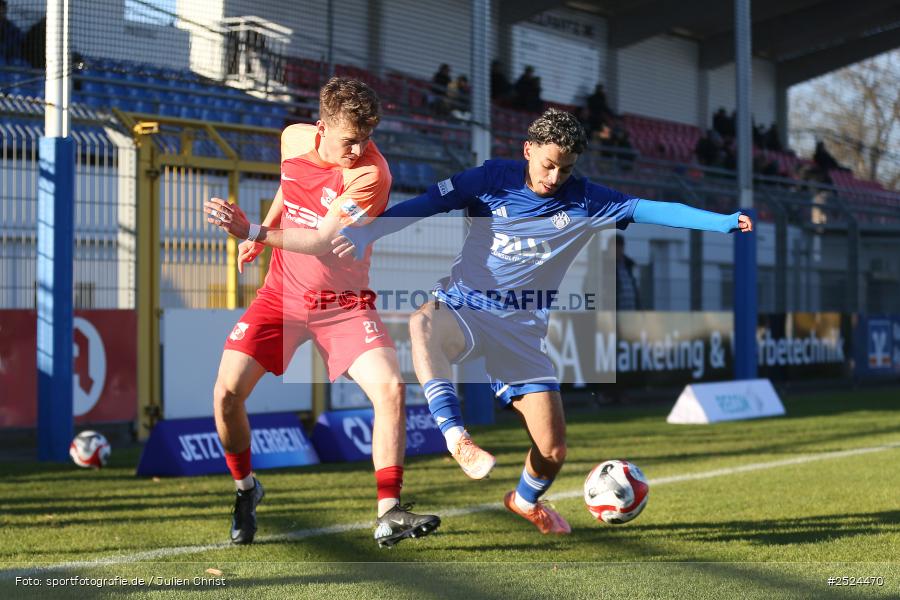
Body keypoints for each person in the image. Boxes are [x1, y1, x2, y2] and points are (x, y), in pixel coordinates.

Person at [330, 108, 753, 535]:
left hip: (521, 331)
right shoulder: (491, 179)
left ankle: (524, 500)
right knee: (422, 321)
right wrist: (369, 232)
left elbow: (652, 209)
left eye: (565, 169)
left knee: (552, 449)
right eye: (548, 165)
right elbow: (425, 204)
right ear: (528, 149)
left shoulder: (588, 200)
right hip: (467, 307)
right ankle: (455, 435)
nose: (554, 177)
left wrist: (720, 222)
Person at [202, 77, 440, 548]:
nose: (359, 149)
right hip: (281, 297)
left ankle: (389, 511)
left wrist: (250, 229)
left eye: (367, 138)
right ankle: (246, 490)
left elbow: (318, 242)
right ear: (322, 127)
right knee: (226, 394)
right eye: (350, 139)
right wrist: (263, 228)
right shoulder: (293, 139)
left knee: (391, 388)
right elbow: (290, 189)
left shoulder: (372, 174)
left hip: (343, 305)